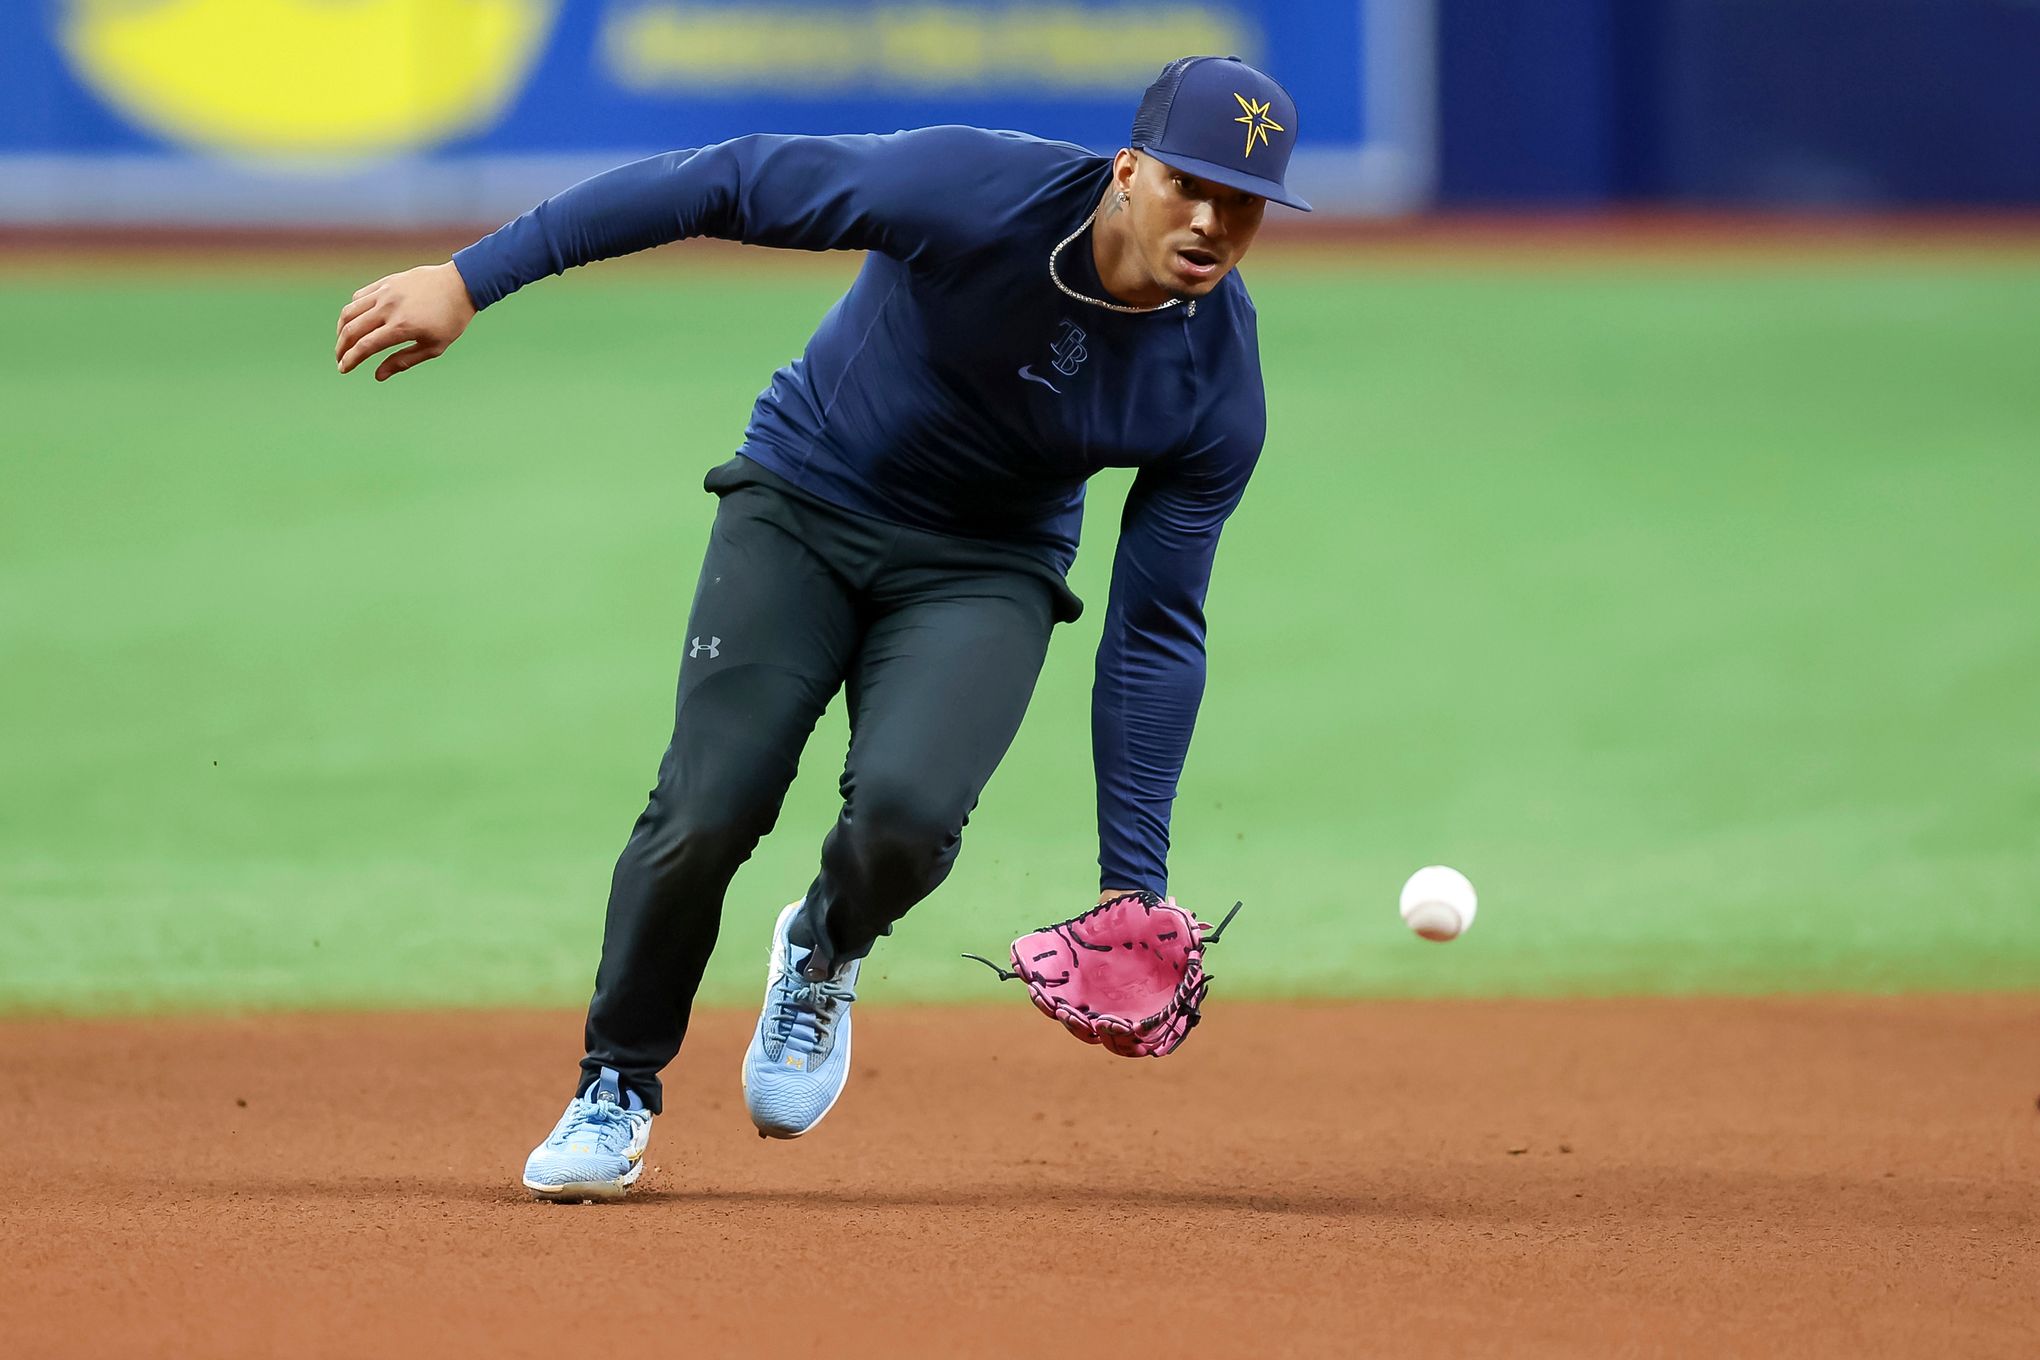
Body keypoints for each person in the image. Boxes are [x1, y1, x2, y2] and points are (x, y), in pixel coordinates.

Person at [334, 55, 1308, 1201]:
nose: (1210, 219)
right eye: (1189, 183)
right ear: (1128, 170)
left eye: (1242, 201)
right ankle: (616, 1087)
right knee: (710, 804)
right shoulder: (972, 190)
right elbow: (729, 180)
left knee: (906, 818)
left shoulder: (1215, 383)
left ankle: (824, 946)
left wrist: (1130, 883)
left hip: (986, 567)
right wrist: (472, 277)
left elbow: (1154, 630)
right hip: (804, 500)